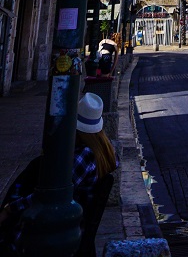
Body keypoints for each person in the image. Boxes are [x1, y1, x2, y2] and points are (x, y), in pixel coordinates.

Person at [0, 92, 117, 255]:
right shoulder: (104, 150)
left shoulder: (83, 157)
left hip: (60, 231)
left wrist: (10, 208)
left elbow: (50, 196)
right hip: (75, 226)